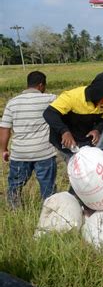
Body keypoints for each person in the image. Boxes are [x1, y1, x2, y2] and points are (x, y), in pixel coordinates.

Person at [0, 71, 57, 208]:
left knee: (15, 185)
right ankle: (49, 212)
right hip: (44, 152)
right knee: (48, 187)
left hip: (20, 153)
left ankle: (15, 210)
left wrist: (3, 150)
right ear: (41, 85)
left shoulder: (12, 103)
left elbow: (4, 129)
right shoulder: (50, 99)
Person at [43, 71, 103, 162]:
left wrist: (97, 130)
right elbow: (49, 113)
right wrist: (64, 131)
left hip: (84, 140)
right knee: (76, 168)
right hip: (66, 142)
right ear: (101, 91)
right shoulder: (72, 97)